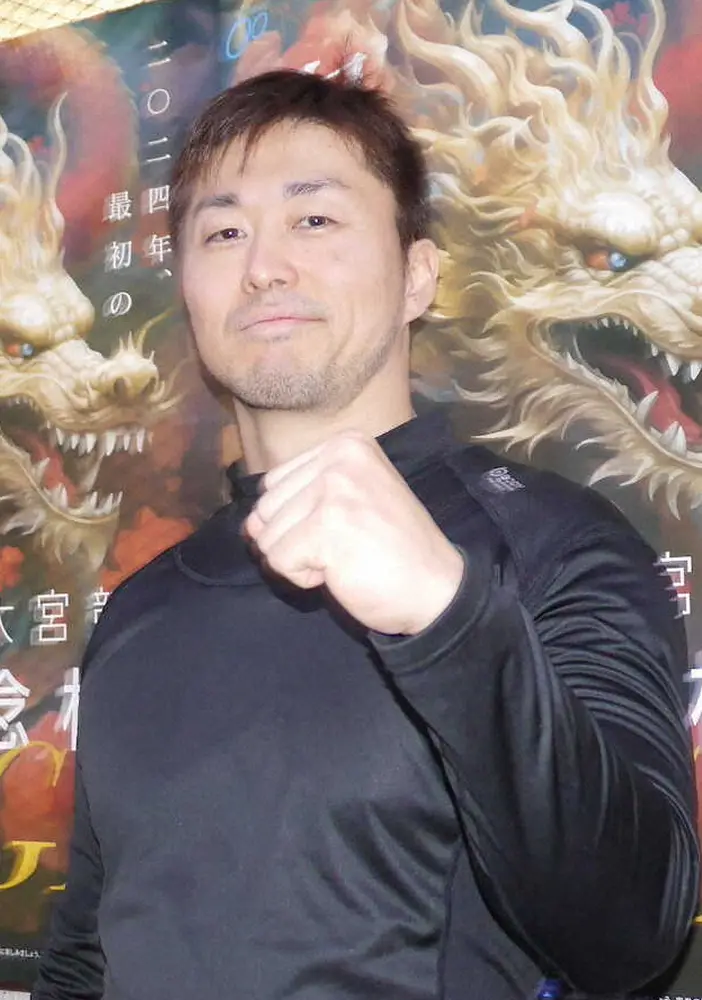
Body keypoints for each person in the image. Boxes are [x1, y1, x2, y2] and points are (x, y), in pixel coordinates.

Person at [31, 68, 699, 1000]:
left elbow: (634, 931)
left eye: (314, 219)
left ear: (417, 276)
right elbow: (85, 958)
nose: (265, 266)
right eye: (224, 232)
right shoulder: (143, 607)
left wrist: (450, 618)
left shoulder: (551, 547)